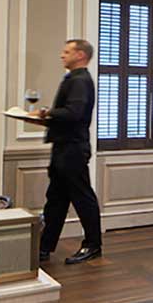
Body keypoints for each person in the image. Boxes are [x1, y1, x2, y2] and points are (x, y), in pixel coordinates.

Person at [37, 39, 102, 265]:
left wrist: (47, 113)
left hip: (72, 148)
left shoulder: (80, 81)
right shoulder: (74, 79)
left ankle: (93, 245)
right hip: (64, 147)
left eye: (67, 52)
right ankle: (44, 247)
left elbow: (74, 113)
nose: (62, 55)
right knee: (56, 200)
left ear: (81, 55)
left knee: (83, 198)